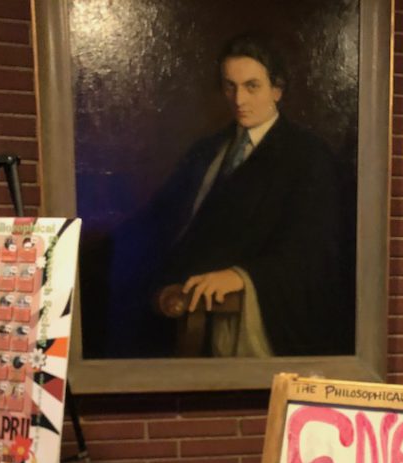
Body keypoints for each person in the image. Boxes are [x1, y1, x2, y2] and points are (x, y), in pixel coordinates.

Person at [110, 34, 353, 358]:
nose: (239, 99)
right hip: (173, 294)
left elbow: (310, 249)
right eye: (230, 86)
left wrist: (241, 277)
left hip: (241, 308)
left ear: (276, 90)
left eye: (252, 86)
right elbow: (163, 217)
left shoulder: (307, 156)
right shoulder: (207, 150)